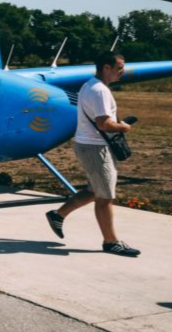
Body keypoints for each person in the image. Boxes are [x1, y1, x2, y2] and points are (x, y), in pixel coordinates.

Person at [46, 52, 140, 257]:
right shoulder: (99, 91)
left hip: (89, 145)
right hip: (95, 147)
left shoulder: (90, 85)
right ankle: (111, 242)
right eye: (119, 67)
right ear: (106, 67)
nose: (123, 71)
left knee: (95, 190)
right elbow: (104, 124)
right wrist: (123, 127)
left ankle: (58, 215)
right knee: (105, 197)